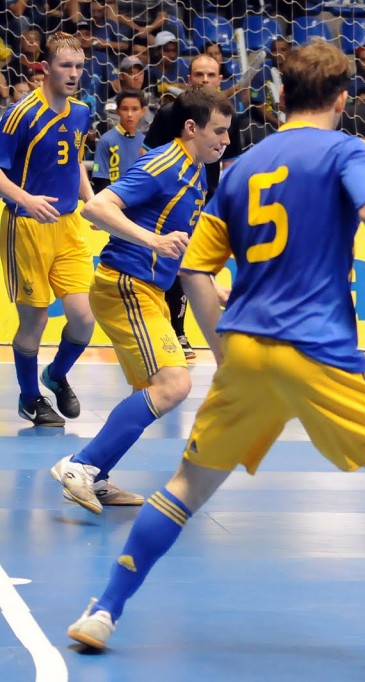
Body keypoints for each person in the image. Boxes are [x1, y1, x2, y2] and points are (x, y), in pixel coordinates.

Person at [65, 41, 365, 673]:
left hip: (250, 347)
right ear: (343, 100)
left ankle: (103, 609)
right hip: (319, 349)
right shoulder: (347, 148)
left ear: (281, 98)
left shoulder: (241, 166)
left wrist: (225, 349)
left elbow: (197, 268)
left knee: (186, 486)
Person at [52, 86, 233, 514]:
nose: (225, 141)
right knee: (175, 384)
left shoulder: (199, 171)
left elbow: (181, 250)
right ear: (191, 128)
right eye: (219, 132)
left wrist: (213, 285)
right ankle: (80, 465)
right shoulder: (165, 163)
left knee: (153, 389)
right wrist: (152, 240)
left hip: (148, 290)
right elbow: (95, 209)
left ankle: (96, 475)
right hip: (125, 285)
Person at [0, 32, 96, 427]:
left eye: (79, 66)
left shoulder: (81, 111)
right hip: (26, 226)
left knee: (84, 319)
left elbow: (73, 160)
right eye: (65, 66)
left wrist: (92, 200)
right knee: (35, 321)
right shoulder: (19, 114)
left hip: (69, 225)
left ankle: (55, 374)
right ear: (45, 67)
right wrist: (27, 200)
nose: (73, 74)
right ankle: (29, 398)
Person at [144, 53, 243, 361]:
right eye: (198, 74)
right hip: (168, 201)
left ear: (219, 79)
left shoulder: (230, 118)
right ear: (189, 78)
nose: (203, 79)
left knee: (191, 268)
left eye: (210, 74)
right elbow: (145, 159)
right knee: (175, 264)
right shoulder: (169, 113)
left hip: (208, 203)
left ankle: (195, 332)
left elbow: (231, 167)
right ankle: (174, 331)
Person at [93, 88, 147, 192]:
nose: (130, 114)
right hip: (113, 201)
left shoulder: (145, 142)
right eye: (125, 109)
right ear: (118, 111)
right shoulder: (107, 140)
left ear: (143, 111)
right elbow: (100, 180)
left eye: (135, 109)